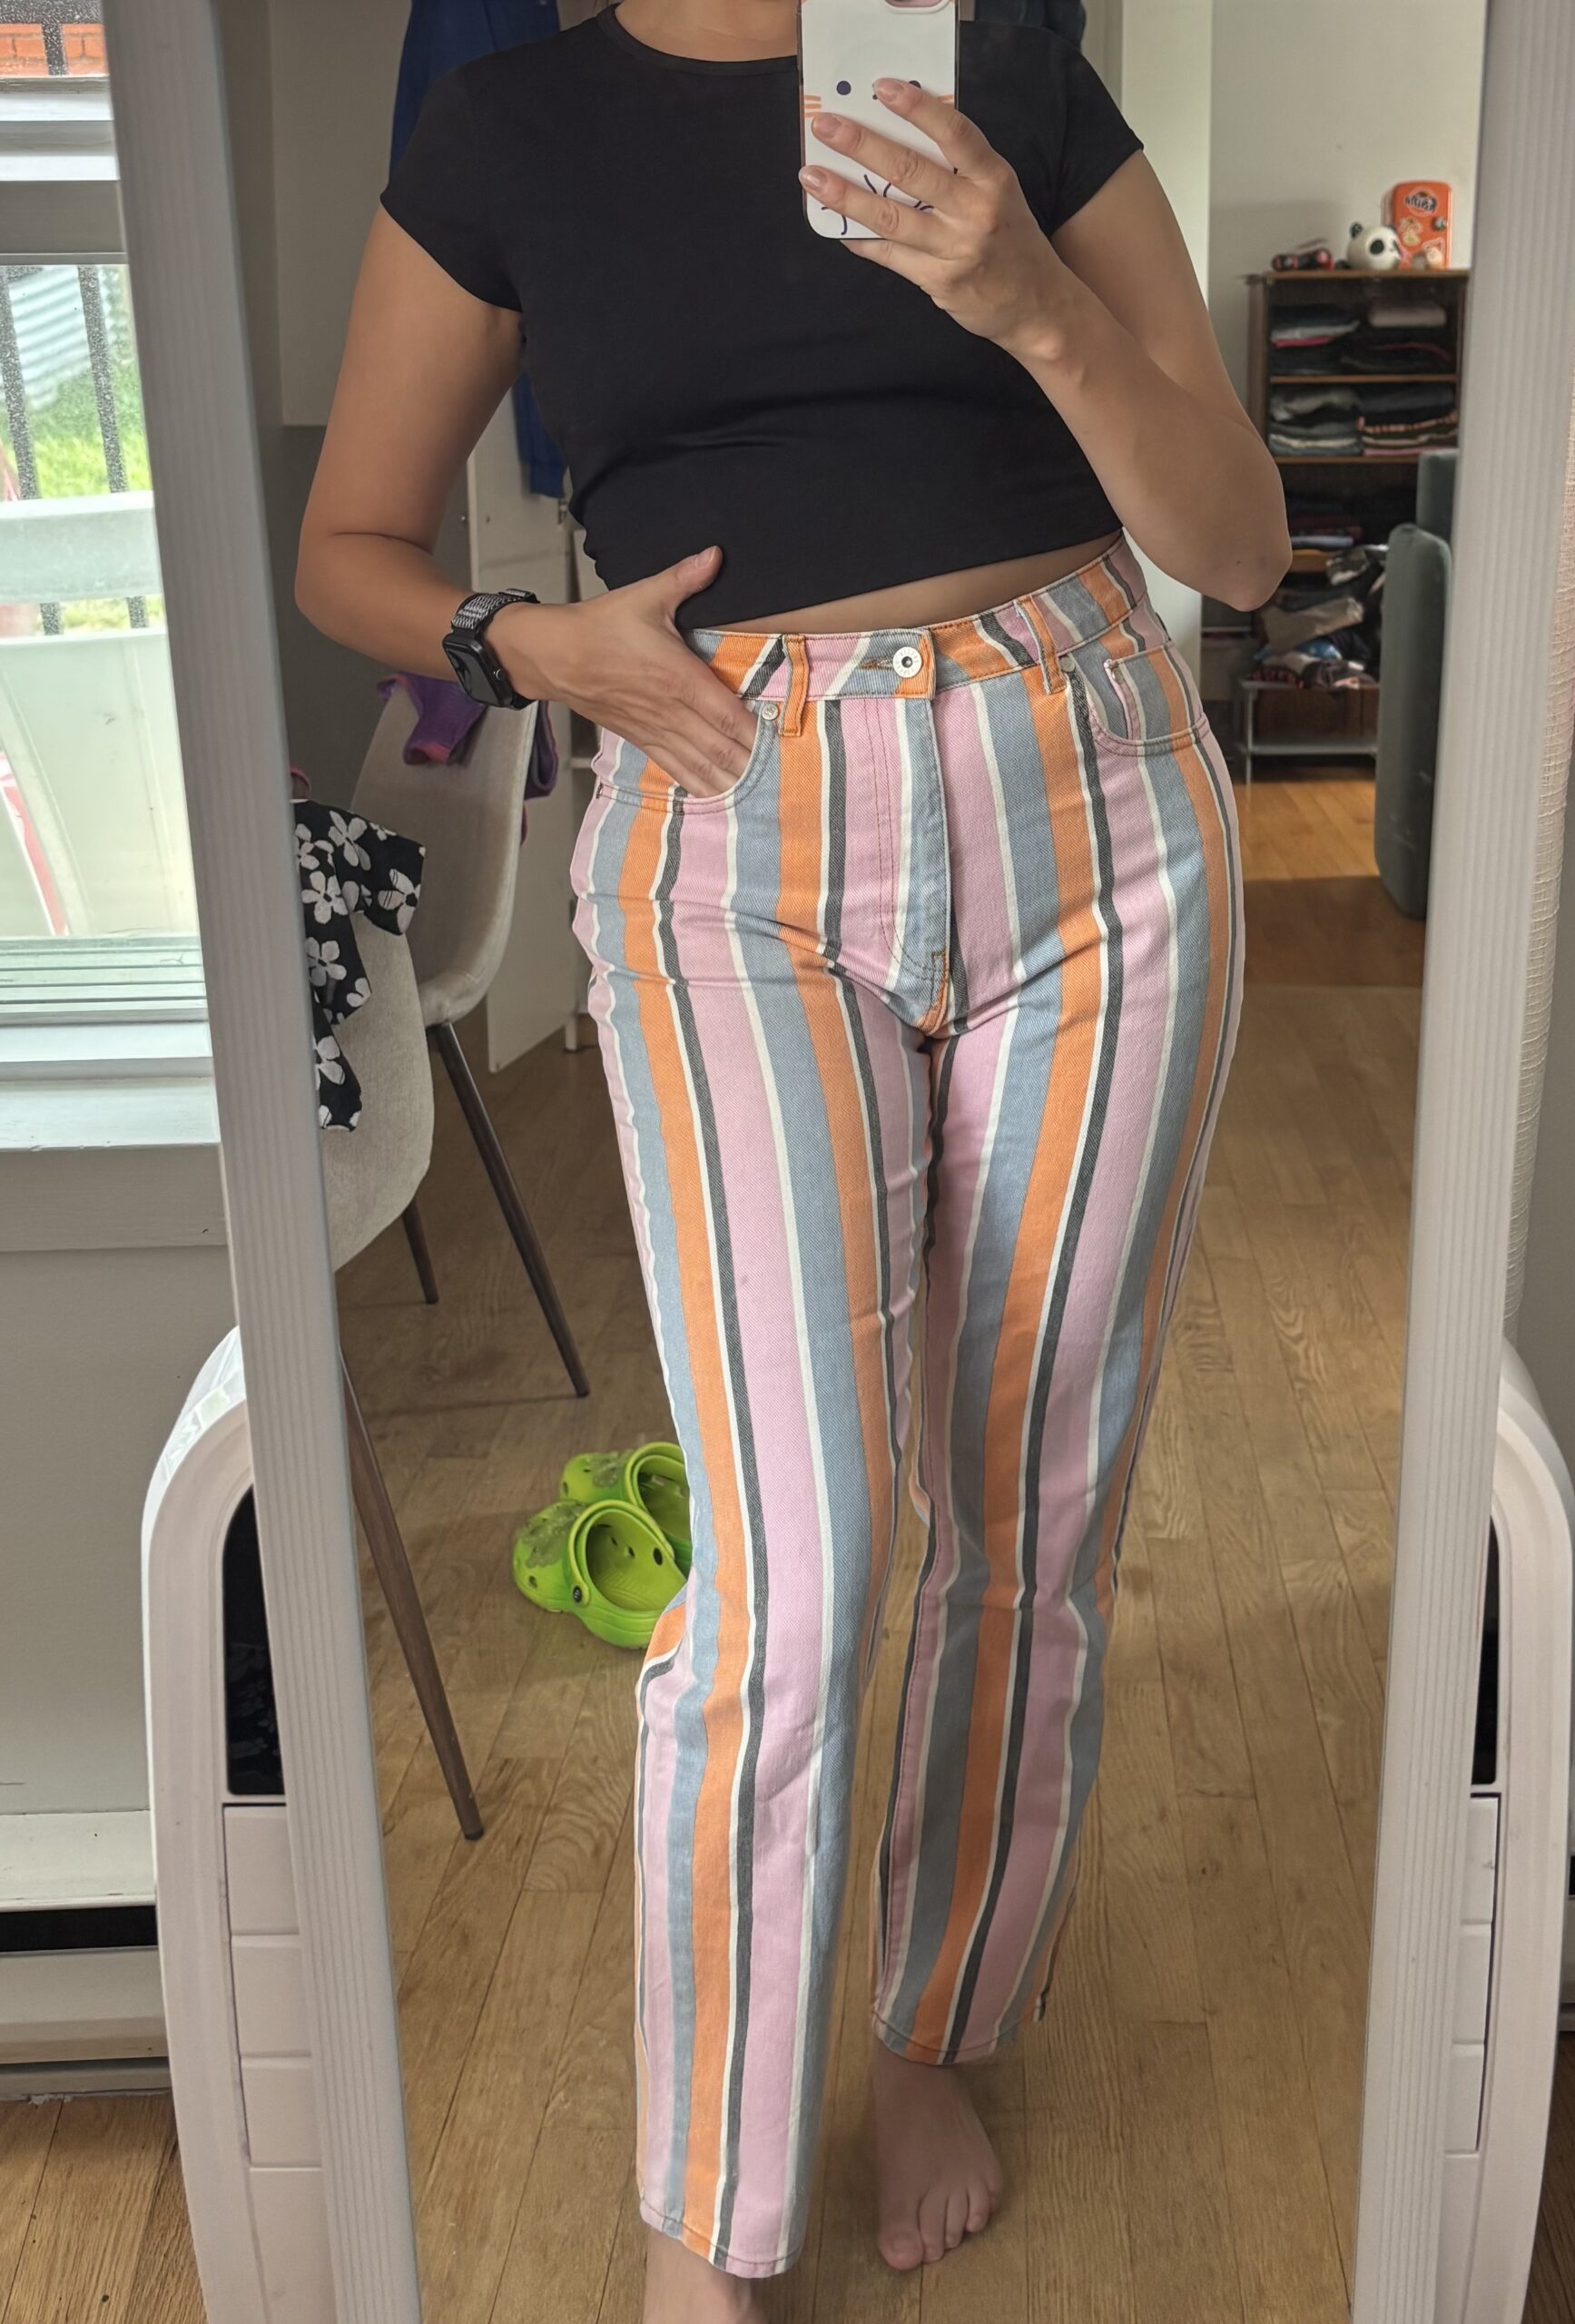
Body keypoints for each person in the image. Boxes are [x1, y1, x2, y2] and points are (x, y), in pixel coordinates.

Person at [296, 5, 1287, 2317]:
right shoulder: (510, 126)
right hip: (730, 824)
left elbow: (1239, 543)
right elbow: (352, 543)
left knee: (1033, 1515)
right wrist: (523, 642)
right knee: (792, 1575)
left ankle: (935, 2029)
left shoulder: (1002, 66)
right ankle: (710, 2212)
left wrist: (1032, 300)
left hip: (1095, 800)